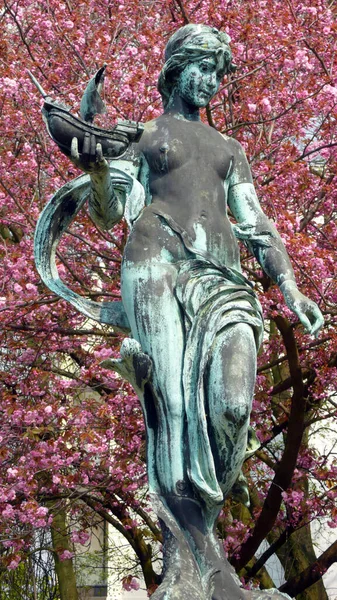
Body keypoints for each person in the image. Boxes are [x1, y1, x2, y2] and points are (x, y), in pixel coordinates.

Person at [61, 24, 323, 600]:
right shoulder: (147, 134)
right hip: (156, 263)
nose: (208, 82)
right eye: (199, 68)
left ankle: (206, 559)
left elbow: (256, 225)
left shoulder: (232, 150)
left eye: (216, 72)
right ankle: (194, 568)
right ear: (174, 68)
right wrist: (97, 163)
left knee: (232, 404)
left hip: (223, 283)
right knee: (173, 407)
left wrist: (290, 286)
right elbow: (109, 211)